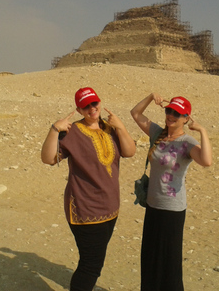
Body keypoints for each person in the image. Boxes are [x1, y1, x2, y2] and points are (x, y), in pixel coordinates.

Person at [41, 87, 136, 291]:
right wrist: (54, 129)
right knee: (90, 265)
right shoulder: (72, 132)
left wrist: (121, 127)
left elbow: (129, 152)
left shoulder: (110, 128)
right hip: (85, 208)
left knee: (94, 261)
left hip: (110, 207)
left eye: (94, 103)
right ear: (79, 109)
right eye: (86, 106)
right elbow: (48, 159)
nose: (92, 108)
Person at [130, 93, 213, 291]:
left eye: (177, 113)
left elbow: (206, 161)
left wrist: (202, 131)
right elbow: (135, 113)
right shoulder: (158, 133)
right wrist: (151, 97)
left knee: (170, 263)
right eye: (169, 110)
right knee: (150, 257)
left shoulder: (187, 142)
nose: (171, 115)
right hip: (153, 205)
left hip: (172, 210)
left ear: (186, 118)